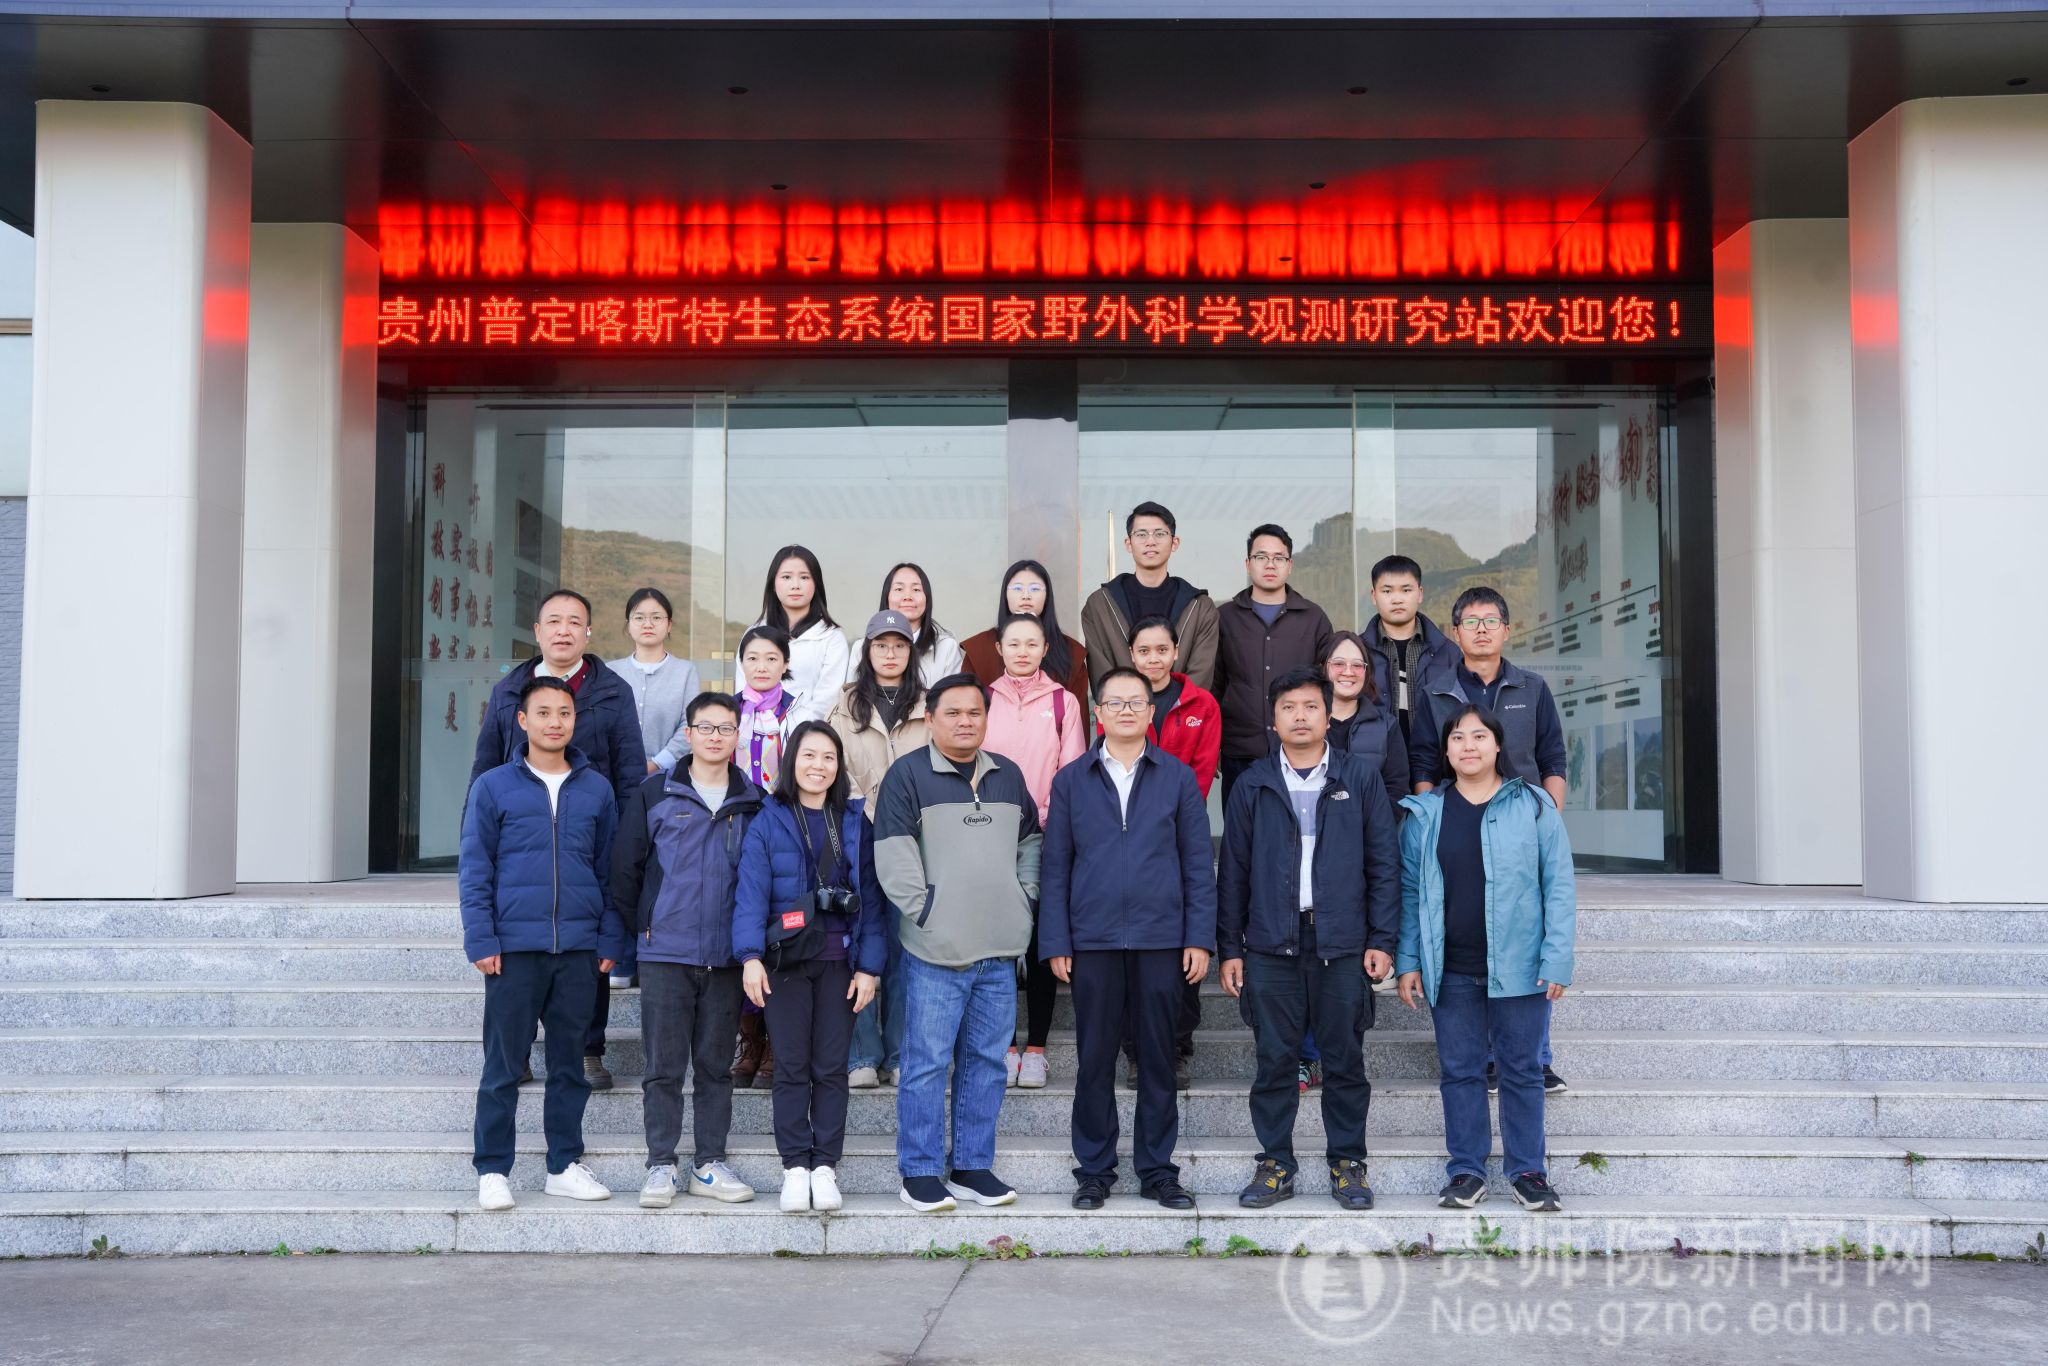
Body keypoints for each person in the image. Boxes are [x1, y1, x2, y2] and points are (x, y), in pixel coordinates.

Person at [1216, 668, 1399, 1212]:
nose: (1300, 716)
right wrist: (1230, 948)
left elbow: (1383, 864)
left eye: (1311, 706)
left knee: (1344, 1060)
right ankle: (1275, 1163)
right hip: (1271, 943)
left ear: (1327, 715)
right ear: (1273, 720)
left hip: (1341, 942)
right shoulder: (1253, 783)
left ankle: (1348, 1163)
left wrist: (1382, 938)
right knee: (1275, 1060)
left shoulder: (1357, 778)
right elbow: (1234, 872)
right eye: (1289, 707)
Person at [1040, 667, 1215, 1211]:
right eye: (1115, 702)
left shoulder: (1176, 778)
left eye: (1136, 702)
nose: (1126, 711)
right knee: (1094, 1059)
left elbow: (1197, 863)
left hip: (1161, 938)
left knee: (1158, 1058)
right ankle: (1094, 1170)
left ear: (1150, 712)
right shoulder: (1071, 780)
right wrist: (1056, 940)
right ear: (1098, 713)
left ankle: (1158, 1170)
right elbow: (1055, 866)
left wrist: (1199, 938)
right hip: (1092, 940)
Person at [1397, 703, 1575, 1213]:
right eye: (1457, 737)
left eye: (1479, 736)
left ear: (1498, 746)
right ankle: (1466, 1171)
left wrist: (1557, 959)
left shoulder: (1534, 805)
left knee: (1521, 1070)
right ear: (1446, 750)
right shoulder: (1424, 814)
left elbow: (1558, 886)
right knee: (1460, 1072)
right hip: (1450, 967)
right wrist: (1408, 960)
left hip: (1521, 967)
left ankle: (1527, 1172)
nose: (1468, 746)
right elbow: (1410, 893)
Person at [873, 674, 1042, 1213]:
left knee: (987, 1063)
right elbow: (893, 855)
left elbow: (1031, 842)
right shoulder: (907, 776)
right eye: (953, 712)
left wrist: (1024, 898)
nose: (965, 721)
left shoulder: (1007, 775)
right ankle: (920, 1172)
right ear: (930, 718)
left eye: (975, 712)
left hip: (999, 948)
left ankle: (971, 1166)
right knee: (926, 1064)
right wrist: (928, 912)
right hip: (935, 951)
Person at [461, 675, 627, 1212]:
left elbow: (609, 872)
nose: (555, 722)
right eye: (544, 712)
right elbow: (475, 868)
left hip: (578, 949)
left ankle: (563, 1165)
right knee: (503, 1067)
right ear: (522, 720)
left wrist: (610, 937)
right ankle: (493, 1170)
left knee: (569, 1066)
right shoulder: (493, 787)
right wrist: (481, 937)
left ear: (575, 720)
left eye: (565, 713)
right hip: (513, 949)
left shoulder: (596, 789)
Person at [471, 587, 646, 1092]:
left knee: (589, 948)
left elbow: (630, 772)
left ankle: (588, 1049)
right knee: (518, 953)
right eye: (554, 621)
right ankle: (518, 1049)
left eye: (574, 622)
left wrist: (630, 843)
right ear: (538, 631)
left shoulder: (612, 691)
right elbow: (485, 764)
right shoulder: (510, 691)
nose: (563, 630)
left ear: (588, 632)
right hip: (521, 842)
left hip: (591, 838)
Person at [1405, 586, 1570, 1095]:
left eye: (1491, 620)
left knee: (1522, 933)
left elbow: (1553, 757)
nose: (1481, 629)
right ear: (1455, 633)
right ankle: (1483, 1059)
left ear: (1506, 629)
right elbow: (1423, 762)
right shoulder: (1434, 691)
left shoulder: (1532, 688)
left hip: (1521, 827)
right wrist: (1433, 820)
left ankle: (1535, 1058)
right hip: (1456, 821)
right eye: (1471, 622)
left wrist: (1546, 819)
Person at [609, 690, 763, 1209]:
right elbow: (626, 870)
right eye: (706, 727)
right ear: (689, 733)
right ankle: (660, 1163)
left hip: (727, 956)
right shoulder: (655, 792)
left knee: (716, 1067)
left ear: (737, 735)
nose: (716, 736)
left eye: (726, 728)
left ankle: (709, 1163)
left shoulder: (755, 801)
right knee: (663, 1067)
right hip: (664, 953)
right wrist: (642, 930)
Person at [734, 721, 886, 1214]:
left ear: (839, 765)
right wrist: (750, 957)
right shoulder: (769, 819)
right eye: (808, 755)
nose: (818, 766)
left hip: (841, 963)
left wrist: (869, 968)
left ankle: (825, 1166)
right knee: (791, 1067)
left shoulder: (855, 822)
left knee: (831, 1069)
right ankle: (795, 1167)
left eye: (828, 757)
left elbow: (873, 902)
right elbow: (751, 893)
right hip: (785, 963)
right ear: (791, 761)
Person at [1116, 614, 1223, 1088]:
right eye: (1144, 651)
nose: (1153, 659)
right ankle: (1135, 1053)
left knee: (1180, 948)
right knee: (1128, 950)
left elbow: (1200, 772)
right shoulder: (1120, 699)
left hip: (1181, 835)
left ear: (1176, 653)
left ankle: (1176, 1048)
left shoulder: (1202, 704)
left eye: (1162, 650)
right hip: (1125, 839)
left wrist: (1165, 813)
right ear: (1131, 654)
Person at [826, 610, 931, 1089]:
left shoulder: (928, 705)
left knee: (906, 947)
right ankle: (861, 1055)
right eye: (881, 645)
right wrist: (867, 808)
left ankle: (900, 1052)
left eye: (899, 645)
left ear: (911, 652)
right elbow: (832, 766)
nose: (890, 653)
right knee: (861, 941)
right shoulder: (845, 705)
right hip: (858, 834)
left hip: (916, 839)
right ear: (867, 651)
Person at [982, 613, 1086, 1089]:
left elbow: (1072, 771)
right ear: (999, 649)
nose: (1022, 651)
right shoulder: (983, 699)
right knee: (998, 940)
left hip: (1043, 833)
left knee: (1041, 939)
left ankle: (1038, 1049)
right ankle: (1004, 1045)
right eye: (1013, 643)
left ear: (1046, 649)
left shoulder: (1064, 702)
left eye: (1032, 643)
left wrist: (1045, 817)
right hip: (989, 833)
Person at [606, 586, 704, 991]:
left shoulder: (685, 672)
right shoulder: (610, 671)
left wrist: (654, 762)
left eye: (656, 617)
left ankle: (653, 955)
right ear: (628, 625)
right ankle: (621, 959)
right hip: (617, 785)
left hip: (666, 783)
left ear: (670, 625)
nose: (648, 624)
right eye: (639, 617)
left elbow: (690, 725)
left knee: (659, 867)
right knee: (622, 867)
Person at [1212, 525, 1333, 805]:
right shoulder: (1225, 617)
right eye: (1261, 557)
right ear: (1248, 563)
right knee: (1241, 827)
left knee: (1299, 827)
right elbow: (1214, 684)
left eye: (1279, 558)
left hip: (1301, 751)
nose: (1270, 564)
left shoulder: (1313, 618)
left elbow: (1328, 686)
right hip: (1240, 751)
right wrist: (1212, 744)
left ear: (1289, 565)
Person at [732, 624, 803, 1090]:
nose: (761, 666)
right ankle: (750, 1039)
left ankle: (776, 1039)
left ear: (785, 663)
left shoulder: (799, 710)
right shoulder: (728, 711)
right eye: (753, 658)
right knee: (743, 925)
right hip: (734, 827)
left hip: (784, 827)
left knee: (779, 925)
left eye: (771, 658)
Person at [1080, 501, 1219, 691]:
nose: (1150, 541)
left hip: (1182, 709)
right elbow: (1102, 676)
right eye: (1141, 534)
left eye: (1160, 534)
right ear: (1128, 544)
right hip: (1123, 709)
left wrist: (1174, 707)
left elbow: (1200, 675)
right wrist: (1134, 705)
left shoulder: (1201, 607)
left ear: (1175, 543)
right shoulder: (1099, 605)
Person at [960, 558, 1090, 701]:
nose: (1026, 596)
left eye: (1035, 589)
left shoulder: (1071, 652)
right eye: (1017, 588)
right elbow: (966, 707)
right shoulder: (978, 648)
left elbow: (1078, 713)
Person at [1361, 554, 1458, 746]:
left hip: (1435, 757)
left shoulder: (1447, 652)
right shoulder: (1359, 652)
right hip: (1376, 757)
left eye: (1406, 590)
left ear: (1420, 594)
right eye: (1387, 591)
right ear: (1374, 596)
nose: (1397, 599)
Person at [754, 545, 850, 726]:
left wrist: (794, 733)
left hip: (810, 737)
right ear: (773, 583)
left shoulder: (832, 638)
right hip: (759, 736)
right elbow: (746, 696)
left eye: (804, 577)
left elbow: (825, 703)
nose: (795, 585)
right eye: (786, 577)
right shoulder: (755, 635)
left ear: (816, 584)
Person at [880, 561, 965, 686]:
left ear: (927, 598)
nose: (907, 596)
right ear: (886, 597)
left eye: (916, 589)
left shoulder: (947, 648)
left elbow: (953, 696)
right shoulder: (862, 648)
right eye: (899, 589)